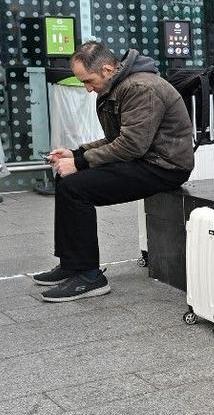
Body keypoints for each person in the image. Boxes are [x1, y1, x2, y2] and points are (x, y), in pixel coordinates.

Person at [33, 42, 193, 301]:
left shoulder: (141, 88)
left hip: (164, 166)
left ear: (107, 70)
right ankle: (72, 264)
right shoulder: (114, 86)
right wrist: (76, 153)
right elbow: (116, 139)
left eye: (88, 81)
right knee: (65, 179)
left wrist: (81, 162)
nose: (87, 88)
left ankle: (89, 277)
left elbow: (131, 145)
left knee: (75, 188)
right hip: (143, 159)